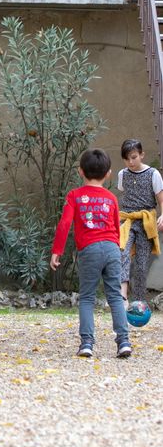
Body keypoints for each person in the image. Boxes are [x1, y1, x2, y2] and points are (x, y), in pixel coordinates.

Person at [50, 148, 131, 358]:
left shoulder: (74, 196)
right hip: (112, 249)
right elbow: (116, 227)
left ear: (80, 171)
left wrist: (57, 251)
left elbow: (65, 224)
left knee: (87, 297)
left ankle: (87, 343)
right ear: (108, 174)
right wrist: (118, 249)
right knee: (115, 296)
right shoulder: (111, 198)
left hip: (89, 250)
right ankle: (123, 341)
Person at [116, 138, 163, 305]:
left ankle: (139, 302)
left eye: (134, 157)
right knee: (122, 253)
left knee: (141, 265)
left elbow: (161, 199)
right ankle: (122, 296)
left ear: (142, 155)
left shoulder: (153, 174)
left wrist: (162, 215)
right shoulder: (122, 174)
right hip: (127, 221)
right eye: (126, 158)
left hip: (145, 222)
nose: (130, 162)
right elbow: (123, 192)